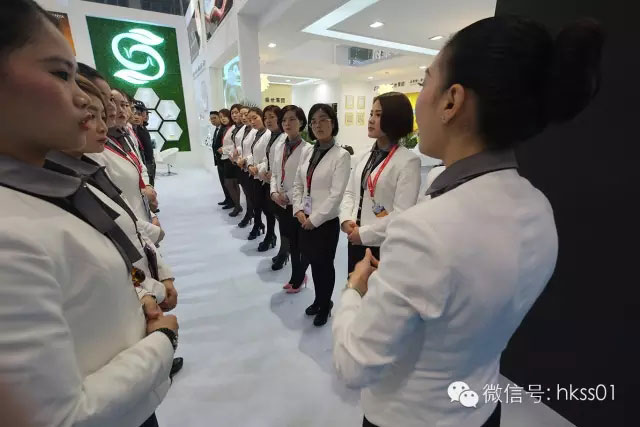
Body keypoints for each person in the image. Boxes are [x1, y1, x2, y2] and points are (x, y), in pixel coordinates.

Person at [332, 16, 603, 427]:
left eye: (425, 81)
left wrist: (354, 290)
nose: (419, 99)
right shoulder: (539, 209)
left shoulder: (425, 230)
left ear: (451, 101)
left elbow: (354, 365)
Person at [0, 2, 179, 426]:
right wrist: (162, 341)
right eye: (60, 74)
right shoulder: (11, 232)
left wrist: (144, 292)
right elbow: (56, 417)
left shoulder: (51, 187)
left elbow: (113, 255)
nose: (82, 99)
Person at [339, 92, 421, 274]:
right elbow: (350, 192)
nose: (370, 120)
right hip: (354, 238)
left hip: (382, 244)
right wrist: (345, 219)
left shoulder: (408, 161)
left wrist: (364, 234)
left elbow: (401, 214)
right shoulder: (365, 155)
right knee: (354, 285)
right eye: (371, 113)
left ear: (395, 119)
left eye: (378, 115)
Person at [292, 104, 350, 326]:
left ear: (333, 123)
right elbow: (298, 183)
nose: (318, 125)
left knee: (325, 266)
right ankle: (318, 300)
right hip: (304, 218)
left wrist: (314, 220)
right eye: (314, 121)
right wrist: (298, 209)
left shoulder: (341, 156)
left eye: (323, 119)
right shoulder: (308, 151)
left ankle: (326, 305)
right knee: (314, 264)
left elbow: (336, 195)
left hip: (324, 223)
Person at [270, 105, 313, 292]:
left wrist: (287, 196)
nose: (287, 123)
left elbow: (305, 181)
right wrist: (273, 193)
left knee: (300, 245)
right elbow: (274, 173)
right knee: (290, 241)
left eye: (292, 119)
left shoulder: (308, 149)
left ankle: (298, 277)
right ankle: (298, 276)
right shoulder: (279, 146)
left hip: (298, 205)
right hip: (280, 202)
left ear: (301, 122)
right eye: (284, 120)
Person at [256, 105, 288, 258]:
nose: (268, 120)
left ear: (279, 118)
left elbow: (286, 164)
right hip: (268, 182)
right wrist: (263, 170)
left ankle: (284, 251)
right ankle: (270, 236)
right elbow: (267, 158)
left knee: (282, 220)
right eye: (265, 117)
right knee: (269, 212)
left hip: (280, 185)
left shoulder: (285, 137)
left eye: (272, 117)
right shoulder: (271, 135)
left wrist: (273, 174)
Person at [245, 107, 272, 241]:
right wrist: (250, 164)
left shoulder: (268, 134)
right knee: (256, 203)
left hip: (264, 176)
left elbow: (270, 157)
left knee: (267, 209)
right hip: (255, 174)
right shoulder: (256, 134)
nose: (252, 122)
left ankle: (270, 235)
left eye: (255, 118)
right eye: (250, 119)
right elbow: (252, 153)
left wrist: (258, 167)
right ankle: (258, 224)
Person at [235, 106, 257, 228]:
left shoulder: (255, 131)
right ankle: (250, 214)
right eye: (241, 114)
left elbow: (255, 150)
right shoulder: (244, 129)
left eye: (246, 114)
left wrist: (245, 159)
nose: (244, 117)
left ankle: (250, 214)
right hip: (242, 165)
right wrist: (238, 154)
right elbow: (242, 146)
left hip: (251, 166)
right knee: (246, 193)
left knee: (251, 194)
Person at [221, 103, 244, 217]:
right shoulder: (233, 127)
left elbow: (239, 145)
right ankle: (237, 205)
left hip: (237, 160)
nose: (234, 115)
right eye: (232, 113)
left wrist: (225, 150)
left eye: (236, 112)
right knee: (230, 183)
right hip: (229, 158)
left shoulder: (243, 128)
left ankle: (238, 206)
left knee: (233, 183)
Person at [132, 101, 157, 187]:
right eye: (136, 113)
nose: (146, 115)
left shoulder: (143, 128)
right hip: (145, 163)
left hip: (150, 161)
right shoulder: (135, 129)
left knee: (151, 183)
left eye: (144, 113)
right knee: (148, 184)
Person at [210, 110, 231, 206]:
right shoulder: (217, 129)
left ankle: (232, 201)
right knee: (223, 182)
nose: (213, 120)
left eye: (215, 118)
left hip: (225, 160)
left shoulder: (225, 129)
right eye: (211, 119)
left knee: (227, 183)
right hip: (219, 160)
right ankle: (227, 198)